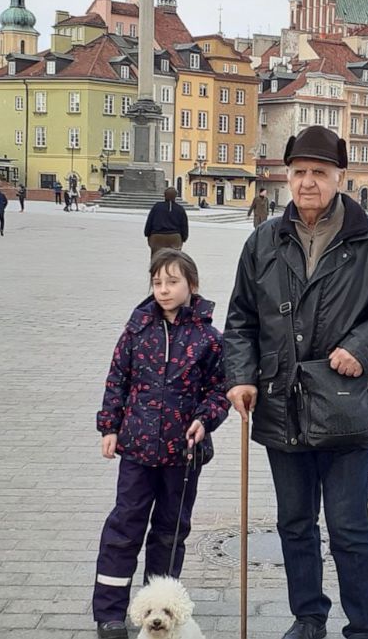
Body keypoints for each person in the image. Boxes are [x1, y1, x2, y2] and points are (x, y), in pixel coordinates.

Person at [224, 125, 368, 639]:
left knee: (349, 525)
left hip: (344, 404)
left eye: (319, 172)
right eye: (299, 173)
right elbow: (241, 318)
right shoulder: (263, 241)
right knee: (294, 522)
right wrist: (241, 378)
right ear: (286, 176)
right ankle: (309, 616)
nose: (308, 182)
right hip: (280, 402)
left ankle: (365, 627)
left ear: (340, 176)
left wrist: (364, 346)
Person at [93, 249, 229, 639]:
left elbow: (218, 390)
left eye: (172, 282)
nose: (164, 290)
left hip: (182, 455)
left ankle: (160, 610)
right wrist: (110, 427)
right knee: (124, 526)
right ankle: (111, 613)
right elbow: (117, 379)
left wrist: (205, 419)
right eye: (157, 282)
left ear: (192, 285)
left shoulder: (208, 337)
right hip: (136, 449)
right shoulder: (136, 331)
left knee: (170, 532)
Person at [144, 187, 189, 255]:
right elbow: (184, 226)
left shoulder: (157, 206)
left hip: (157, 237)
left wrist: (147, 234)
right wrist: (184, 238)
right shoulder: (180, 209)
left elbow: (149, 222)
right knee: (173, 259)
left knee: (157, 258)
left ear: (164, 195)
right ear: (175, 196)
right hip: (174, 237)